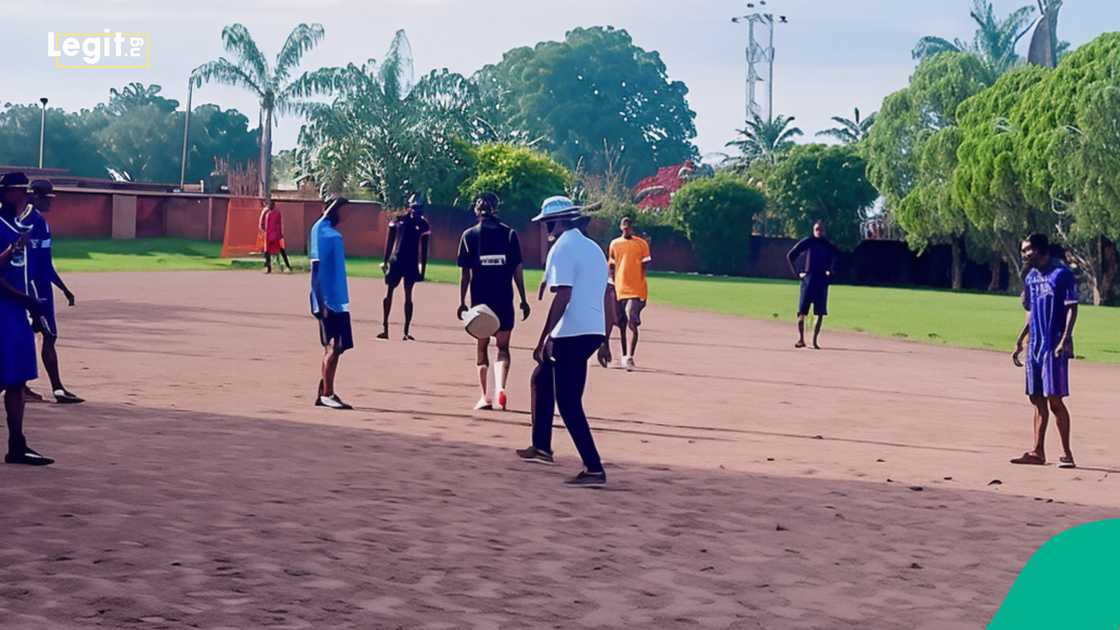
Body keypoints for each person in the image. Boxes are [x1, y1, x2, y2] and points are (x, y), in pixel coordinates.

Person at [516, 196, 609, 486]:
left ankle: (593, 468)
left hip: (572, 332)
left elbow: (564, 295)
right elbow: (603, 292)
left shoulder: (563, 247)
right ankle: (541, 445)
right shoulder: (592, 248)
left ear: (558, 222)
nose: (545, 230)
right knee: (542, 377)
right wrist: (605, 339)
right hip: (592, 329)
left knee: (568, 402)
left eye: (547, 224)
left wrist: (544, 337)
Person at [456, 192, 531, 411]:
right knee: (503, 348)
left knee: (482, 348)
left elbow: (465, 274)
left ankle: (484, 397)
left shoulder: (469, 236)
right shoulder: (509, 235)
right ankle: (501, 388)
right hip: (504, 300)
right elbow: (518, 269)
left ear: (476, 211)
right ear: (496, 209)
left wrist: (462, 301)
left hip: (481, 303)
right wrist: (524, 299)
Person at [1011, 233, 1079, 469]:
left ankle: (1067, 454)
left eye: (1027, 250)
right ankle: (1037, 452)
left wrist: (1065, 338)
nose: (1024, 254)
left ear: (1040, 250)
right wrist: (1020, 340)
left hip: (1054, 345)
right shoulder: (1031, 277)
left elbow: (1072, 308)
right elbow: (1031, 312)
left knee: (1054, 399)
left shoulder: (1062, 275)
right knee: (1036, 398)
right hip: (1035, 346)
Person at [0, 172, 53, 465]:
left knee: (17, 381)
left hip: (17, 311)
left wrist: (31, 304)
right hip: (4, 311)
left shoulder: (21, 226)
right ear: (11, 193)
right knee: (7, 376)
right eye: (24, 191)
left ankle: (17, 444)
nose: (29, 196)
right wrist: (26, 300)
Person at [18, 180, 82, 404]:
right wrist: (31, 294)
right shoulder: (28, 222)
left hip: (41, 288)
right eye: (47, 199)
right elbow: (27, 264)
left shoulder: (39, 222)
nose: (50, 203)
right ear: (35, 197)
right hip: (34, 291)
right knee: (48, 335)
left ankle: (25, 387)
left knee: (31, 336)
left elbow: (46, 264)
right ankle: (57, 389)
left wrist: (64, 289)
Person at [310, 196, 355, 410]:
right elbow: (316, 269)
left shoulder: (329, 231)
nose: (346, 216)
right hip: (329, 300)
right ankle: (327, 393)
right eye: (344, 211)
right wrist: (321, 301)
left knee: (337, 346)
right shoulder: (323, 232)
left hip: (338, 299)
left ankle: (325, 390)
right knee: (333, 345)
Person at [379, 193, 431, 341]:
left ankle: (406, 331)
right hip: (396, 261)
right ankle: (385, 328)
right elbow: (389, 242)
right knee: (389, 293)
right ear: (409, 207)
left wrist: (423, 270)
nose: (417, 211)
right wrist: (385, 262)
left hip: (411, 264)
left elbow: (424, 249)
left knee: (408, 296)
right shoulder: (398, 220)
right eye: (414, 208)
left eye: (419, 208)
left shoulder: (423, 225)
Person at [604, 216, 651, 371]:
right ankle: (624, 356)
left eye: (629, 228)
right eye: (624, 228)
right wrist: (612, 280)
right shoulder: (615, 244)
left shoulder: (641, 244)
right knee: (622, 324)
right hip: (620, 289)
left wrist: (640, 284)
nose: (626, 230)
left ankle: (630, 356)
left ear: (632, 228)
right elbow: (611, 265)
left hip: (636, 290)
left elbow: (645, 266)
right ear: (620, 228)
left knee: (631, 319)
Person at [787, 220, 838, 349]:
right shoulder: (808, 242)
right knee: (802, 312)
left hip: (821, 281)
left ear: (824, 231)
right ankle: (801, 339)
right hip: (808, 280)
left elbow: (837, 257)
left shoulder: (827, 245)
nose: (818, 231)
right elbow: (791, 255)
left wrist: (831, 273)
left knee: (819, 312)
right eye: (816, 229)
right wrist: (797, 273)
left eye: (820, 229)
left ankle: (814, 341)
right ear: (813, 230)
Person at [259, 200, 293, 274]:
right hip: (270, 235)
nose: (270, 206)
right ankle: (269, 268)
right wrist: (264, 231)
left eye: (271, 205)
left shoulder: (276, 213)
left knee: (281, 250)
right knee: (267, 251)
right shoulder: (267, 213)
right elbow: (263, 224)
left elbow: (278, 225)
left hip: (276, 236)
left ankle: (287, 266)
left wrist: (280, 235)